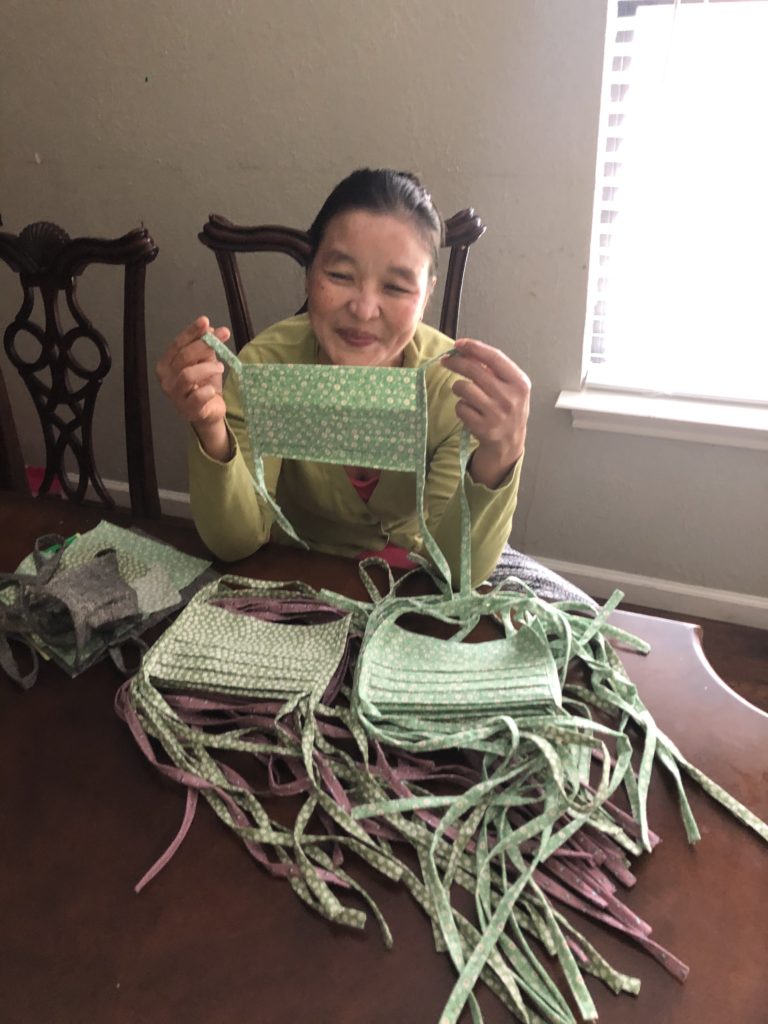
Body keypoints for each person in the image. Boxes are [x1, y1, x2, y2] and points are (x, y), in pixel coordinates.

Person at [156, 168, 531, 588]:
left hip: (407, 584)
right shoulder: (268, 366)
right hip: (292, 574)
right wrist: (210, 428)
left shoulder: (452, 387)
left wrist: (501, 453)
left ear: (427, 295)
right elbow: (235, 542)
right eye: (339, 276)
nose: (364, 309)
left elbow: (453, 570)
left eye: (396, 287)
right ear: (309, 274)